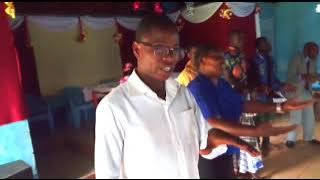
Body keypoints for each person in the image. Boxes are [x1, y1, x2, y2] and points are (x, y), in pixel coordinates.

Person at [94, 15, 307, 179]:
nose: (169, 58)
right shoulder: (114, 108)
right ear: (137, 49)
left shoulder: (182, 94)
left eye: (174, 50)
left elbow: (205, 139)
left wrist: (243, 142)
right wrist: (254, 131)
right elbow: (107, 174)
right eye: (159, 49)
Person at [187, 45, 315, 179]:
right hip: (209, 153)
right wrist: (256, 131)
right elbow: (214, 122)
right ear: (202, 61)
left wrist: (280, 106)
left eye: (222, 57)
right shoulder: (198, 87)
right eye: (216, 57)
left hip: (225, 148)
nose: (222, 60)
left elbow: (242, 105)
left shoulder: (222, 84)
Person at [253, 36, 296, 155]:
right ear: (259, 47)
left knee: (268, 120)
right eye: (265, 43)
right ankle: (255, 147)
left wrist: (282, 85)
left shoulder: (270, 59)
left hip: (270, 96)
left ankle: (265, 144)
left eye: (268, 43)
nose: (269, 45)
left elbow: (273, 78)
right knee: (257, 122)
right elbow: (252, 79)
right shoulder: (253, 61)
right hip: (258, 97)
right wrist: (259, 88)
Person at [286, 42, 320, 148]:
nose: (317, 54)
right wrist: (304, 76)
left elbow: (314, 78)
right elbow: (290, 76)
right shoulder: (296, 58)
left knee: (310, 115)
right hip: (295, 91)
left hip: (307, 92)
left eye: (317, 51)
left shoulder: (313, 61)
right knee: (296, 116)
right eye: (315, 51)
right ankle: (290, 140)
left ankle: (309, 137)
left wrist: (317, 92)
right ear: (307, 50)